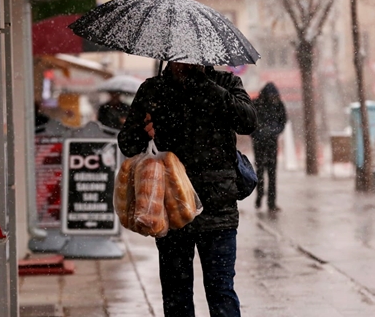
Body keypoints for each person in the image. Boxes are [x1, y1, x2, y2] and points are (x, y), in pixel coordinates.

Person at [118, 62, 257, 317]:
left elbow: (248, 122)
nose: (186, 62)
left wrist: (205, 85)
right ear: (169, 57)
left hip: (217, 207)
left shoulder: (225, 84)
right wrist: (143, 132)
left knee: (221, 291)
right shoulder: (153, 89)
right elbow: (127, 142)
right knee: (176, 294)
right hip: (171, 208)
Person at [250, 82, 287, 212]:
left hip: (270, 143)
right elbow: (250, 122)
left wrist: (273, 132)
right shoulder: (258, 104)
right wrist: (259, 133)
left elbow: (283, 121)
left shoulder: (277, 105)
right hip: (261, 143)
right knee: (261, 173)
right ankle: (260, 199)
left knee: (270, 174)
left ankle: (270, 202)